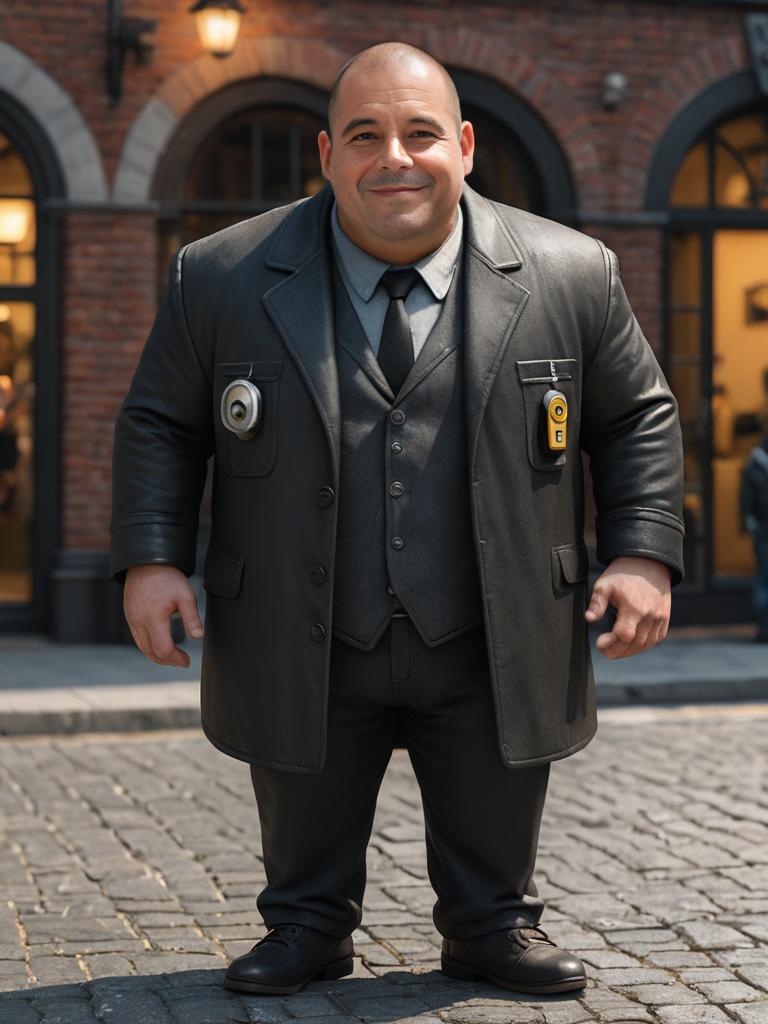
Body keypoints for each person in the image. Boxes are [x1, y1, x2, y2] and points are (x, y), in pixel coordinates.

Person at [110, 42, 684, 998]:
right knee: (302, 797)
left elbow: (638, 417)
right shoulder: (221, 276)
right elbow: (160, 425)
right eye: (367, 135)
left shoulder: (571, 272)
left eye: (421, 133)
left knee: (498, 795)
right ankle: (305, 924)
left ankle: (493, 925)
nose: (396, 158)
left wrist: (642, 553)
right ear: (327, 153)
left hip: (488, 626)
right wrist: (151, 559)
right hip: (308, 624)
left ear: (462, 145)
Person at [741, 427, 768, 642]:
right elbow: (746, 500)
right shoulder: (755, 466)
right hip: (763, 531)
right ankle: (764, 626)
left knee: (763, 578)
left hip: (761, 529)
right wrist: (751, 524)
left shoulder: (754, 465)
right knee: (764, 578)